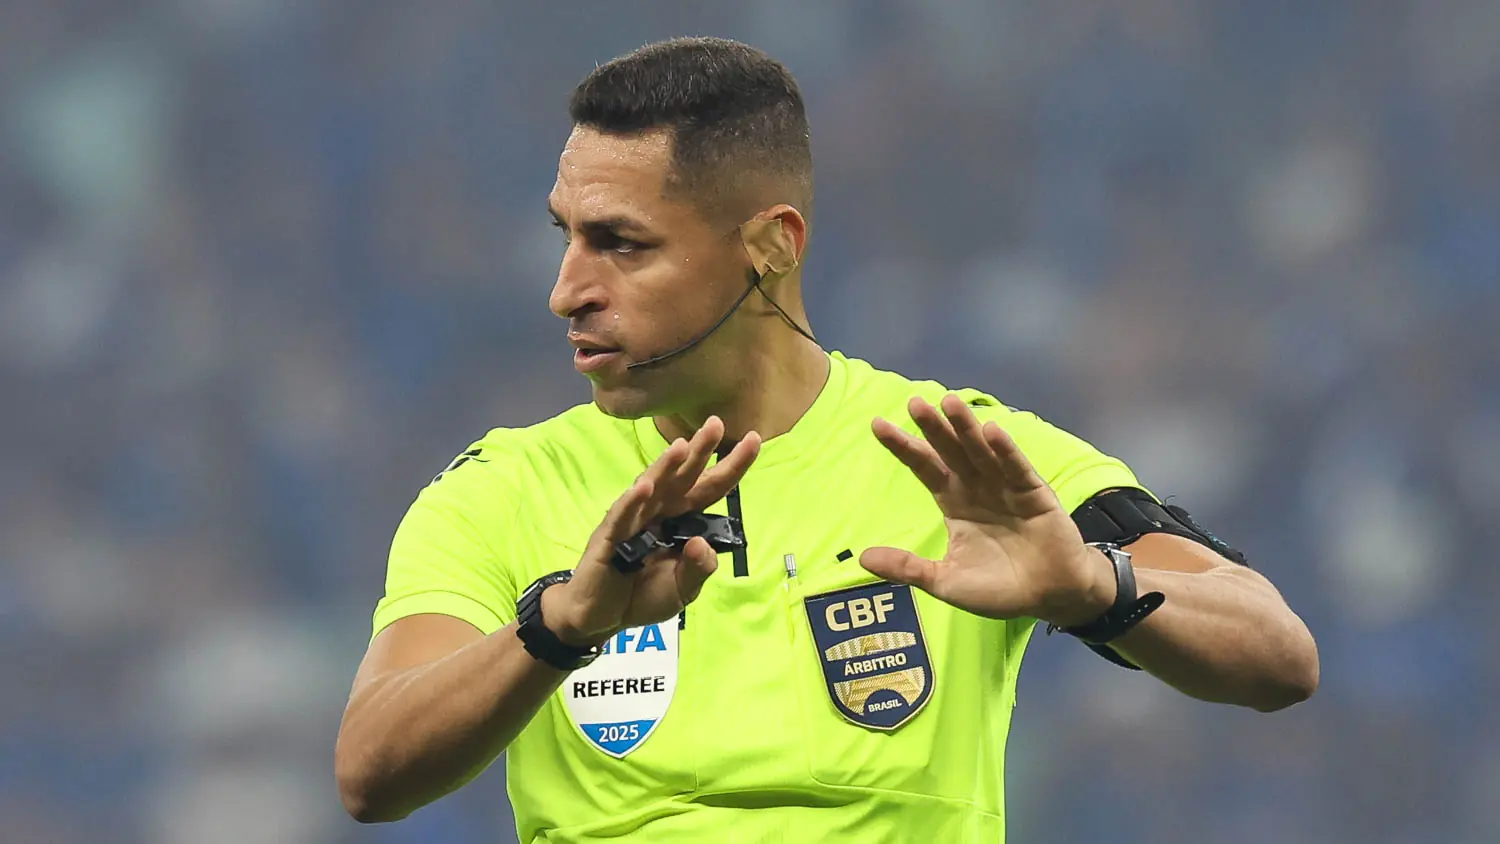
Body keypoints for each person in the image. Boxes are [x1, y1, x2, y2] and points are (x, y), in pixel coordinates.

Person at [334, 36, 1319, 843]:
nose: (567, 291)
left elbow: (1279, 654)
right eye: (567, 236)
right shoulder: (502, 488)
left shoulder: (960, 458)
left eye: (622, 243)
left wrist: (1095, 588)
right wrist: (559, 627)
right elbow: (370, 770)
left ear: (772, 244)